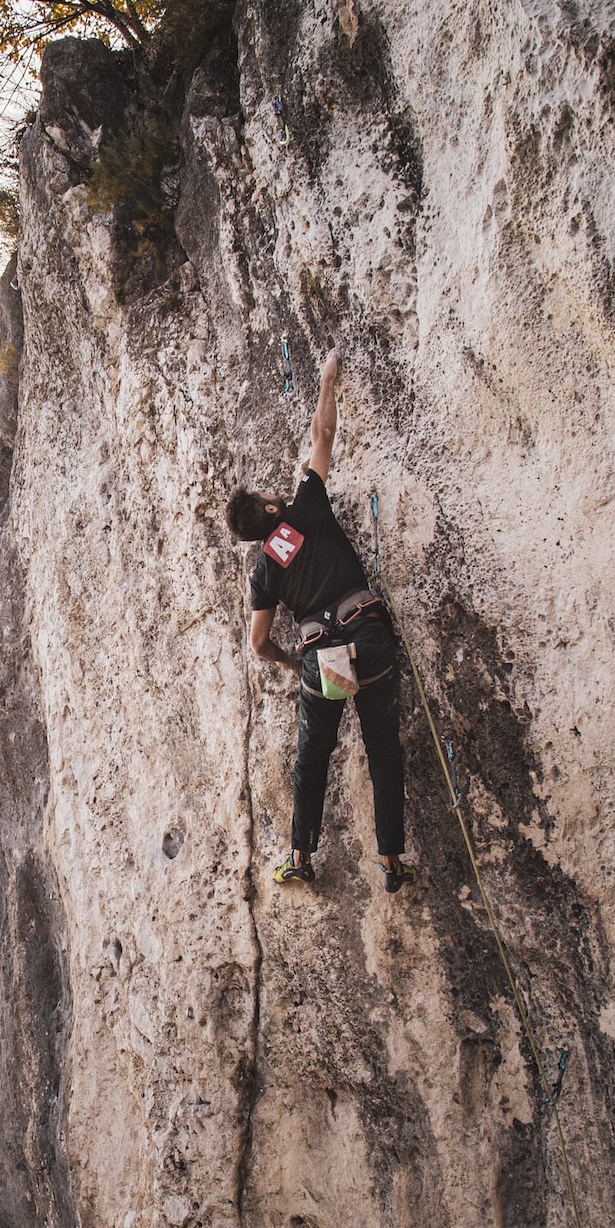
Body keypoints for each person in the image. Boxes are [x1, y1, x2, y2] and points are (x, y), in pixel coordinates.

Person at [225, 347, 413, 892]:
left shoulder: (264, 568)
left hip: (323, 657)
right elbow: (322, 438)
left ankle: (300, 858)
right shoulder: (306, 506)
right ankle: (392, 863)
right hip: (368, 634)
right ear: (269, 511)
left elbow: (258, 642)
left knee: (313, 759)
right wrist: (328, 378)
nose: (272, 490)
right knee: (383, 750)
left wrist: (288, 662)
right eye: (266, 493)